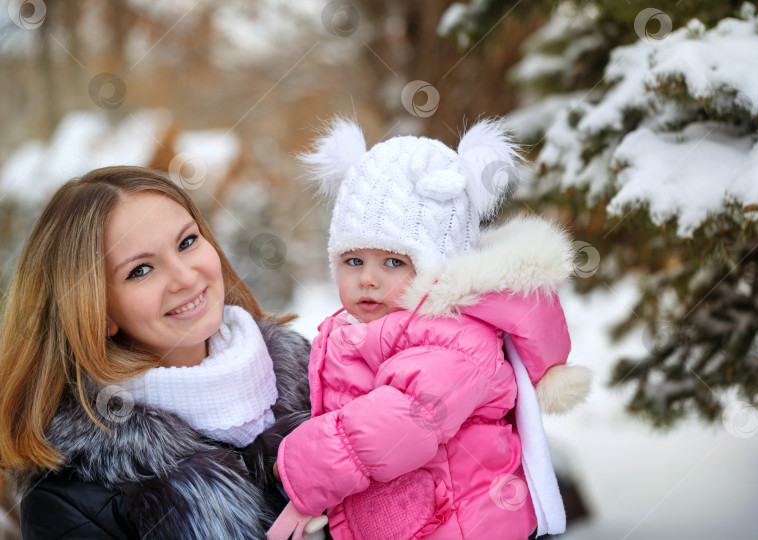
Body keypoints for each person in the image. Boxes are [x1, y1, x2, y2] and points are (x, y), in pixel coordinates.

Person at [268, 119, 592, 540]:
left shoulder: (457, 337)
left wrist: (305, 467)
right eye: (353, 261)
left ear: (436, 267)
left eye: (393, 262)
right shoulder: (373, 328)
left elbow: (405, 417)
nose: (368, 278)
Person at [0, 166, 312, 539]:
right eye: (141, 270)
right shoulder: (72, 497)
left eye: (187, 242)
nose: (185, 277)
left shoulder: (318, 376)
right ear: (97, 312)